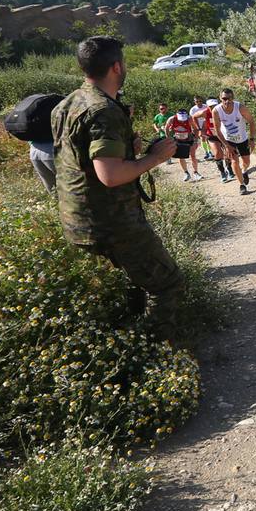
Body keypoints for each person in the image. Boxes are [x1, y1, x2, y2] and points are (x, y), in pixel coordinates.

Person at [51, 36, 183, 339]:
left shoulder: (67, 104)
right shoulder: (104, 111)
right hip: (112, 221)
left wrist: (127, 148)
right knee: (167, 283)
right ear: (116, 67)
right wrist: (154, 157)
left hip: (78, 220)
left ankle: (128, 342)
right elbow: (109, 176)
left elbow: (79, 156)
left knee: (134, 283)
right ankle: (156, 353)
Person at [213, 89, 256, 195]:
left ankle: (244, 171)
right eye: (224, 99)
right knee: (234, 161)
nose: (227, 101)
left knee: (246, 161)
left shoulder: (240, 108)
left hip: (242, 138)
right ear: (220, 98)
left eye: (230, 98)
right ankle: (242, 185)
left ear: (233, 98)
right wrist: (226, 145)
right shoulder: (216, 110)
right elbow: (217, 131)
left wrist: (252, 139)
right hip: (228, 139)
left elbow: (251, 122)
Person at [165, 109, 202, 182]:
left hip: (189, 138)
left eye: (183, 119)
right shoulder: (172, 119)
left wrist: (196, 140)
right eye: (180, 119)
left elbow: (195, 129)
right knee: (181, 157)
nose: (182, 121)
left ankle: (196, 172)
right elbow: (166, 127)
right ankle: (186, 173)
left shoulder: (189, 119)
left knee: (193, 155)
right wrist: (168, 138)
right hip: (178, 139)